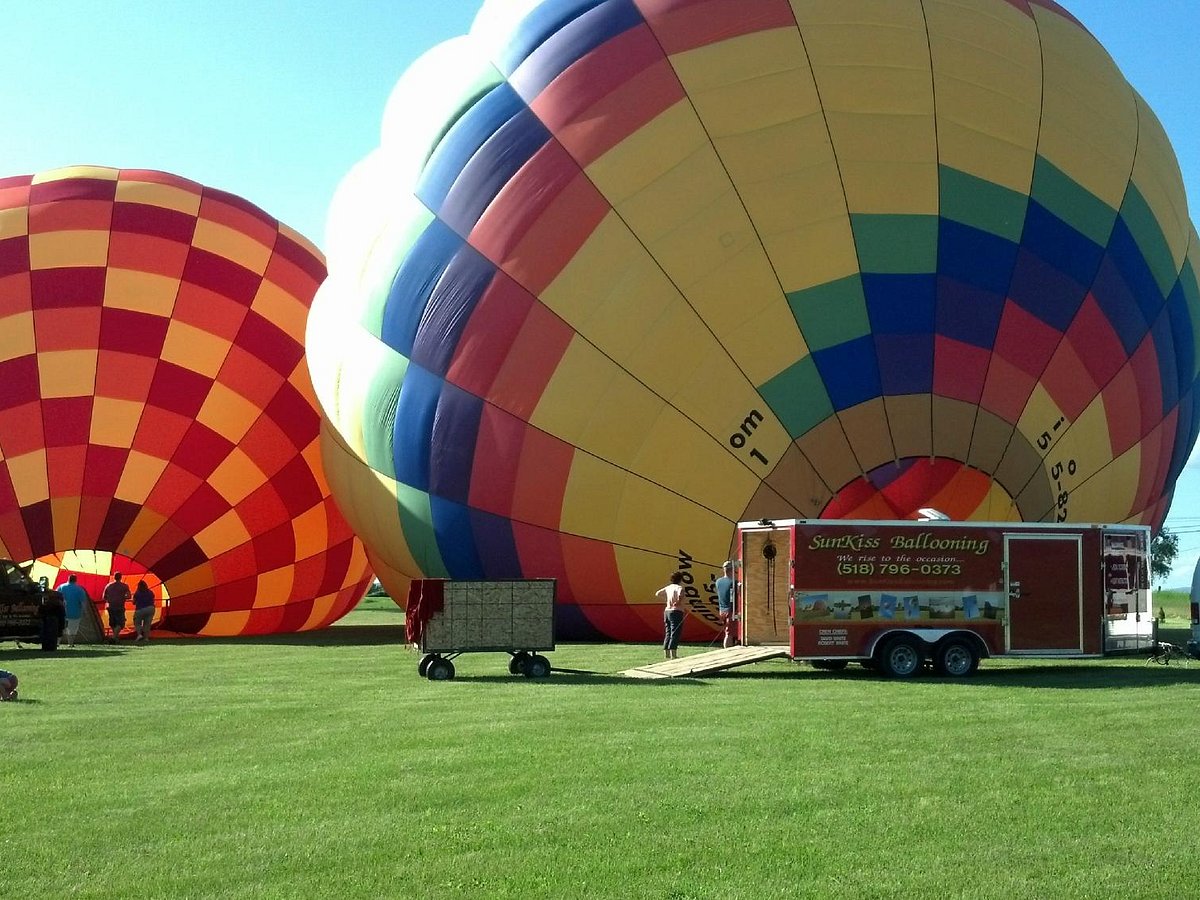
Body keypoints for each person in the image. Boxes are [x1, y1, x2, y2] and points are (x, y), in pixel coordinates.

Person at [656, 572, 687, 660]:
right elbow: (681, 594)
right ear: (680, 579)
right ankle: (673, 653)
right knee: (675, 632)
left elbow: (657, 593)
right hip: (676, 611)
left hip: (667, 611)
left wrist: (667, 599)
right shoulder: (679, 588)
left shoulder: (668, 587)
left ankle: (666, 653)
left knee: (668, 632)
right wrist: (678, 601)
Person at [58, 575, 90, 648]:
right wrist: (86, 613)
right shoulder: (80, 590)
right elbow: (83, 603)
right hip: (75, 613)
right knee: (73, 630)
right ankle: (70, 643)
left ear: (68, 579)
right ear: (75, 580)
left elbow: (56, 598)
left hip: (62, 613)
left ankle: (57, 643)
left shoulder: (61, 587)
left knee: (60, 628)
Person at [103, 572, 131, 644]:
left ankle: (115, 638)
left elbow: (104, 597)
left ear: (114, 577)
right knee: (121, 623)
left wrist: (110, 599)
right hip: (120, 606)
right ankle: (114, 637)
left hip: (111, 606)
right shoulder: (124, 586)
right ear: (121, 577)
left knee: (113, 623)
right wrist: (122, 597)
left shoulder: (108, 586)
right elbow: (129, 596)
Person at [715, 560, 736, 649]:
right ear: (732, 570)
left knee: (727, 631)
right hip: (729, 610)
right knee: (729, 633)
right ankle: (727, 650)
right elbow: (733, 597)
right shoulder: (733, 582)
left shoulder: (718, 581)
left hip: (721, 610)